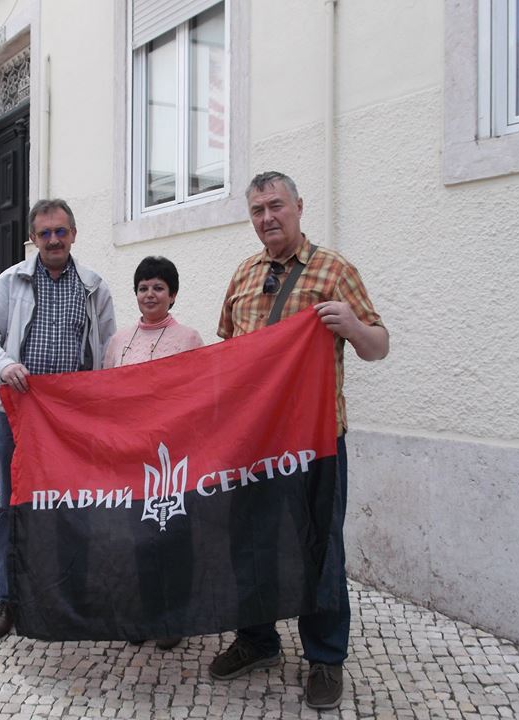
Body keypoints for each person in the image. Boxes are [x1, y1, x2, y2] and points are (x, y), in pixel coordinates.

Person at [210, 171, 389, 709]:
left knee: (320, 548)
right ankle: (257, 639)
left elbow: (378, 345)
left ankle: (325, 658)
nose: (267, 217)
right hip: (252, 443)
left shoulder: (335, 271)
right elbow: (227, 354)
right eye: (257, 210)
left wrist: (351, 326)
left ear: (299, 207)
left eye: (276, 205)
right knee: (249, 544)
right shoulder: (243, 275)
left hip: (315, 443)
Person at [0, 198, 116, 640]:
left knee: (75, 502)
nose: (54, 240)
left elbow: (108, 351)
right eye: (45, 233)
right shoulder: (10, 281)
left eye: (61, 231)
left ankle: (75, 591)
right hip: (19, 415)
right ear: (33, 238)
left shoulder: (94, 287)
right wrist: (4, 365)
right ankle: (9, 597)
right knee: (13, 503)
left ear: (73, 234)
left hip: (74, 419)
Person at [103, 256, 203, 651]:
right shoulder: (118, 341)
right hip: (131, 455)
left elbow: (197, 395)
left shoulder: (189, 339)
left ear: (172, 295)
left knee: (172, 534)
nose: (150, 294)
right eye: (143, 287)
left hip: (172, 457)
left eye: (158, 287)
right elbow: (105, 391)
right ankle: (144, 611)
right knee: (138, 536)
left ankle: (173, 614)